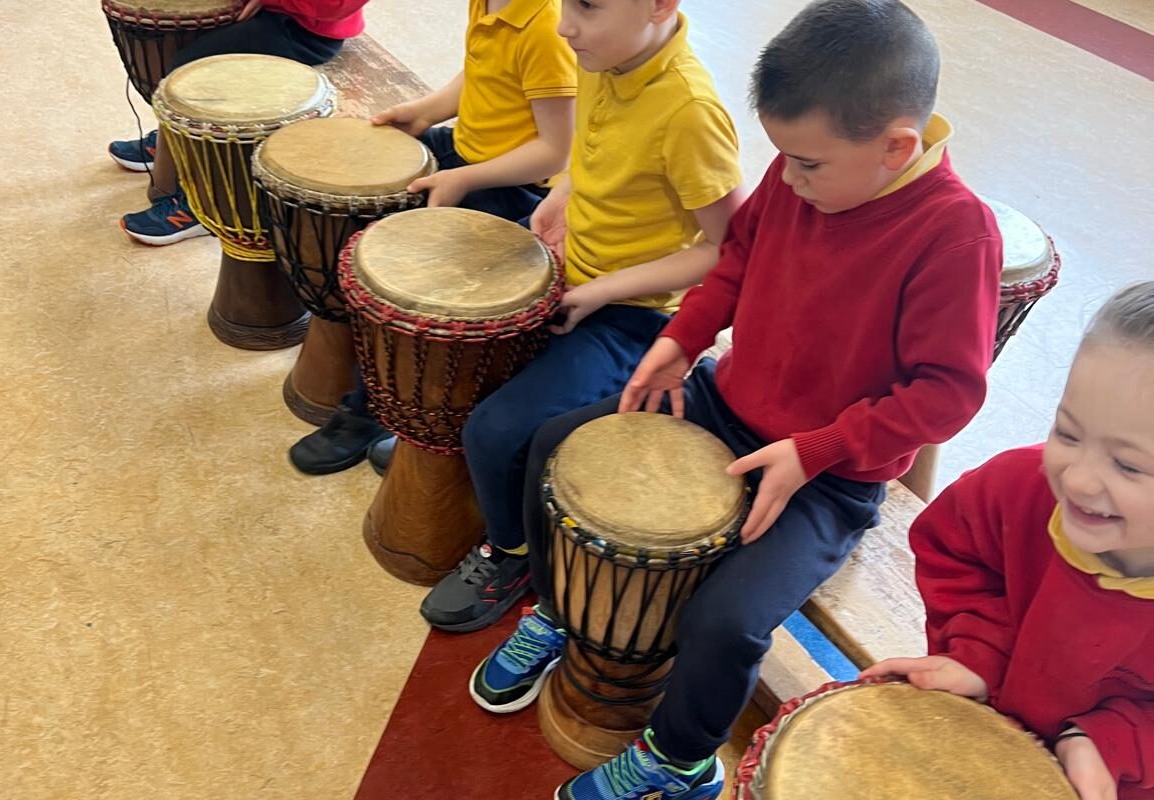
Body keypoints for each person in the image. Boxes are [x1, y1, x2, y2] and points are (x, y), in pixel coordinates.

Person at [469, 2, 1004, 797]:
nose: (787, 177)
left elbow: (948, 393)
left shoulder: (956, 234)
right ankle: (557, 609)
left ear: (896, 148)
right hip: (724, 405)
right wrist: (681, 341)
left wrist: (817, 451)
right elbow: (737, 258)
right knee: (555, 447)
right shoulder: (803, 175)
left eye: (808, 164)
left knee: (726, 621)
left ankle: (680, 759)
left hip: (831, 476)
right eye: (783, 156)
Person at [412, 0, 746, 634]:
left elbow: (727, 250)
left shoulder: (690, 113)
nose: (565, 24)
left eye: (587, 6)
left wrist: (605, 289)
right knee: (449, 325)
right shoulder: (604, 54)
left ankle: (512, 552)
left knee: (496, 430)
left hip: (632, 315)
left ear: (660, 6)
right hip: (571, 271)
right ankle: (450, 464)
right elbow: (591, 157)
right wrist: (562, 197)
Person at [864, 283, 1154, 800]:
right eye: (1068, 433)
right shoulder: (1016, 489)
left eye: (1128, 465)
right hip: (977, 726)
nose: (1078, 479)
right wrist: (980, 655)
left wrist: (1110, 743)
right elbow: (953, 550)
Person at [287, 0, 578, 475]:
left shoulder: (546, 28)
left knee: (410, 278)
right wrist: (424, 112)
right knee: (358, 171)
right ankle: (348, 347)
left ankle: (369, 411)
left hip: (513, 186)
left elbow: (554, 151)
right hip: (465, 151)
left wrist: (464, 179)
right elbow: (480, 76)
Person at [110, 0, 370, 245]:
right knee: (194, 43)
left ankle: (203, 206)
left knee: (192, 68)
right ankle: (175, 143)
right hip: (279, 13)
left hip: (305, 32)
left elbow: (333, 6)